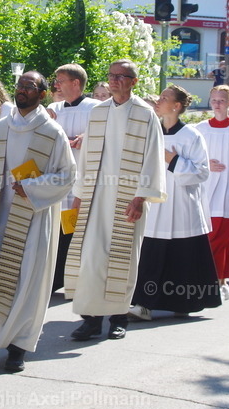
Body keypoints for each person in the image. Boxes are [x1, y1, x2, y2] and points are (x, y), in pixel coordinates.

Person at [0, 71, 75, 372]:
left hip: (34, 219)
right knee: (0, 277)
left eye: (30, 86)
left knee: (29, 279)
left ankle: (19, 345)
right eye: (20, 85)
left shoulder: (52, 132)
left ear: (43, 94)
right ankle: (5, 334)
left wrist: (32, 187)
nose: (22, 90)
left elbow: (66, 175)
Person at [63, 60, 166, 342]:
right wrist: (80, 195)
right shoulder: (98, 113)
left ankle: (119, 318)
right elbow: (85, 160)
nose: (116, 81)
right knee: (92, 259)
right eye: (112, 76)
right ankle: (91, 319)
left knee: (122, 259)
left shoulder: (145, 115)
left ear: (134, 81)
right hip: (96, 198)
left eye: (123, 76)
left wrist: (140, 197)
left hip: (127, 199)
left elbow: (153, 157)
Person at [129, 85, 222, 320]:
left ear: (177, 106)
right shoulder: (152, 132)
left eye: (164, 98)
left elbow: (202, 172)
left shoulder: (191, 136)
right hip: (156, 204)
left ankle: (185, 300)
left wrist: (173, 160)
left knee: (184, 256)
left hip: (181, 205)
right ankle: (143, 304)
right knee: (151, 254)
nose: (158, 101)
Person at [194, 85, 229, 301]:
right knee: (208, 238)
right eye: (214, 100)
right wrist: (205, 163)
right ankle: (208, 279)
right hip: (206, 191)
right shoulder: (200, 128)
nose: (217, 104)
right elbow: (192, 156)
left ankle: (221, 280)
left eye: (222, 100)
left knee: (224, 239)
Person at [46, 63, 99, 293]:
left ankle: (79, 278)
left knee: (80, 230)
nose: (56, 85)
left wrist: (88, 137)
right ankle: (56, 278)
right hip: (59, 179)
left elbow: (106, 138)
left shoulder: (96, 108)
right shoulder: (53, 108)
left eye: (61, 80)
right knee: (57, 228)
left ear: (76, 83)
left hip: (84, 178)